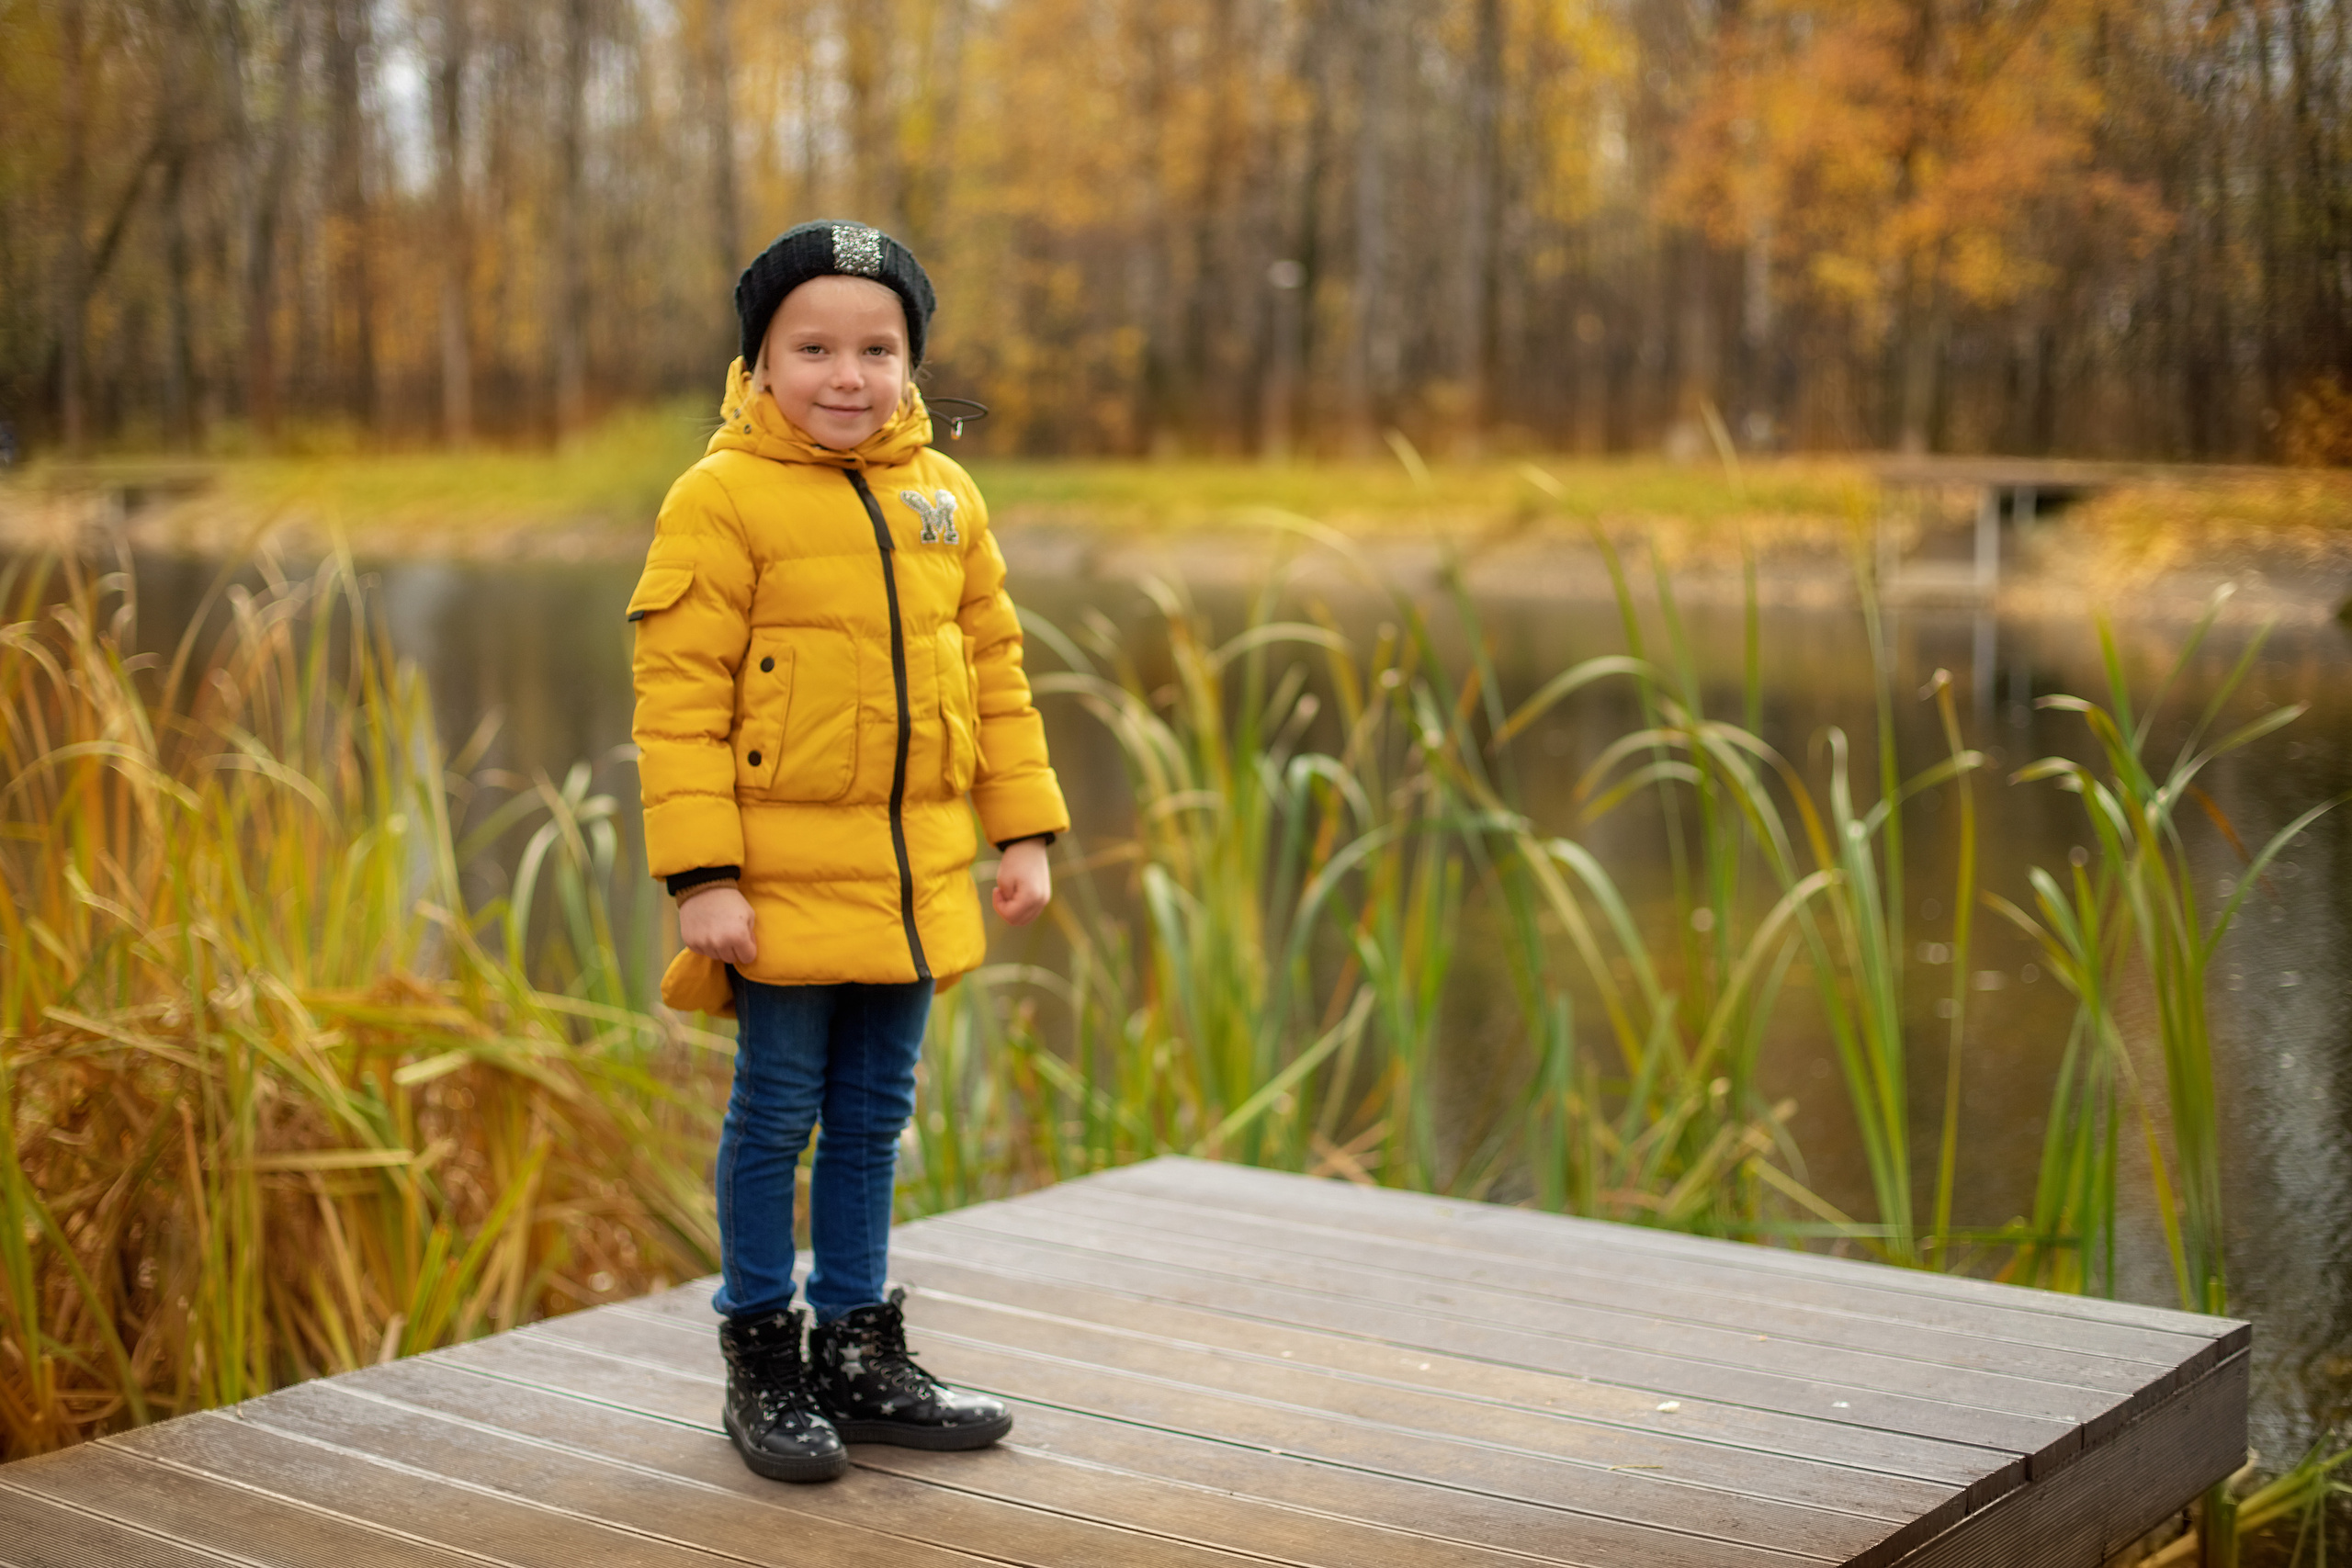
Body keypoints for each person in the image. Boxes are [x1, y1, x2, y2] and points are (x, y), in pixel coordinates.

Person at [627, 220, 1069, 1483]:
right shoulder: (720, 498)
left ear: (912, 362)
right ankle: (764, 1350)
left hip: (916, 878)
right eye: (811, 346)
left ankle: (862, 1351)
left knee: (876, 1119)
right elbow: (678, 701)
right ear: (757, 362)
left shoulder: (946, 499)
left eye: (877, 348)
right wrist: (702, 877)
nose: (847, 375)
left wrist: (1023, 829)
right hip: (773, 891)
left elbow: (994, 673)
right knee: (777, 1113)